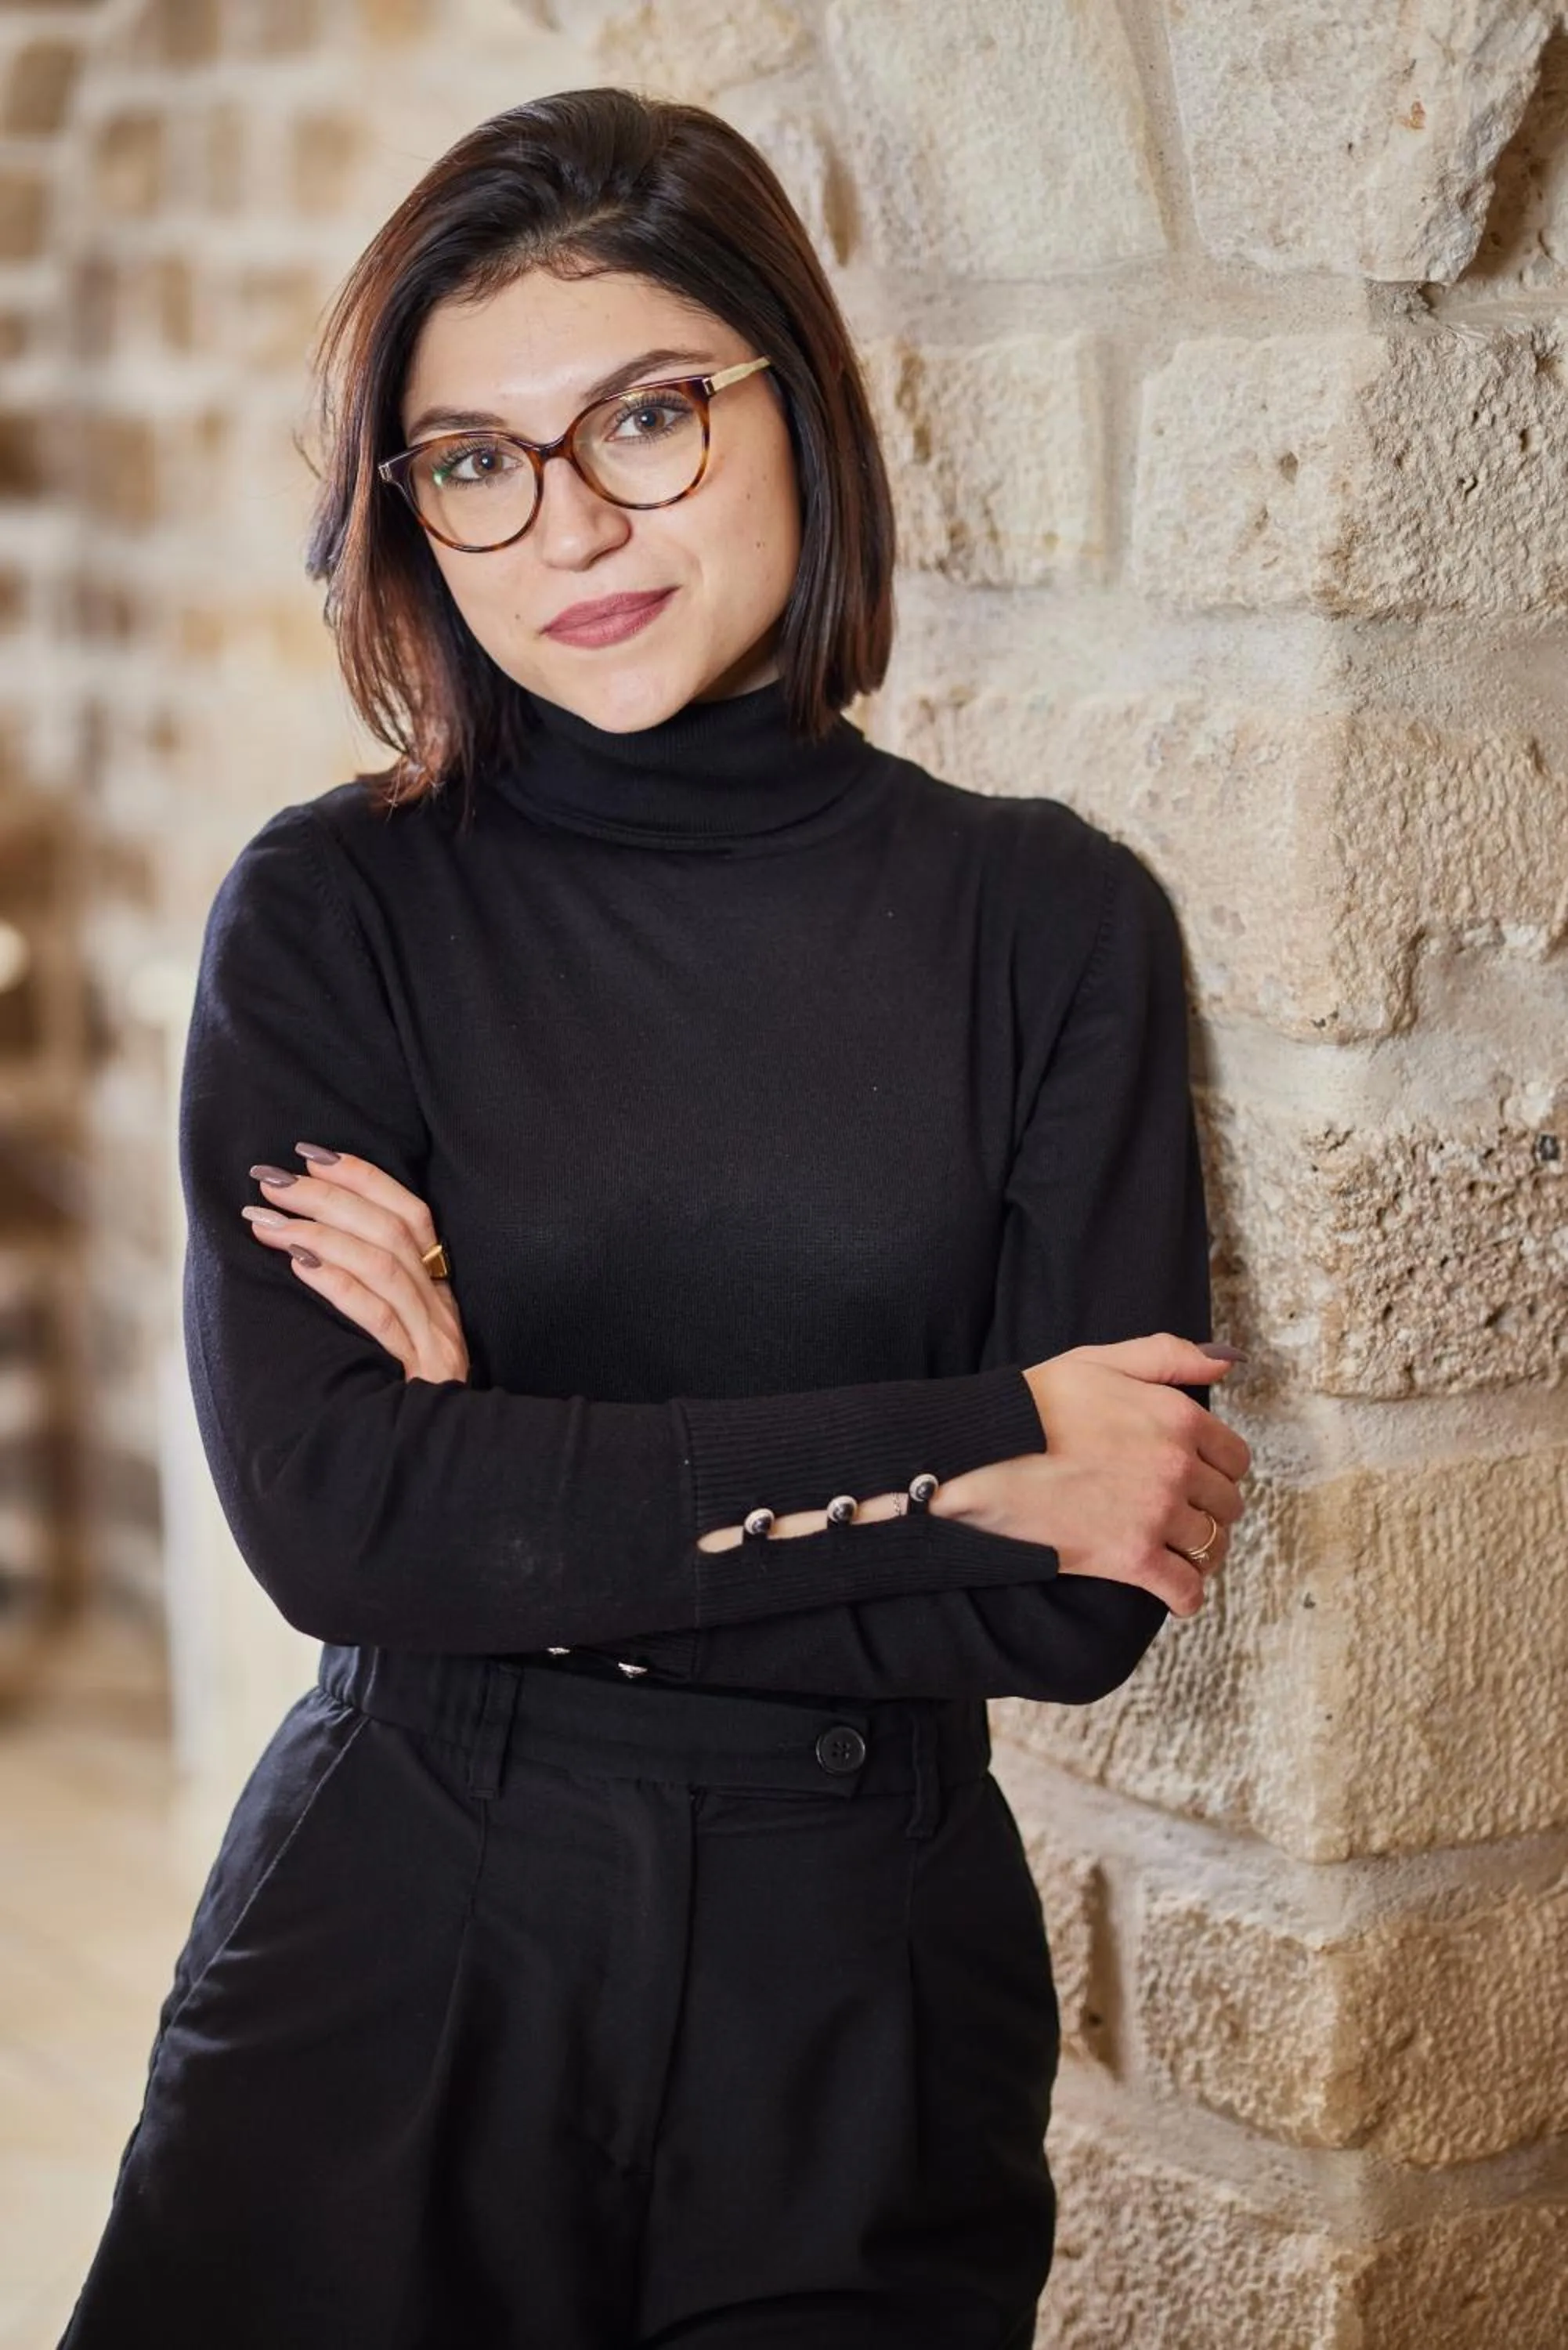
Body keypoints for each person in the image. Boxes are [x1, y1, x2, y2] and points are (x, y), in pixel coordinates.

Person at [59, 85, 1251, 2350]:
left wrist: (510, 1467)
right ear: (404, 509)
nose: (568, 523)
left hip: (865, 1982)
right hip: (404, 1928)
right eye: (476, 460)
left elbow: (1091, 1600)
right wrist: (977, 1443)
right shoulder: (337, 915)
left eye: (649, 417)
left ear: (797, 401)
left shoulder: (1048, 920)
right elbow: (339, 1527)